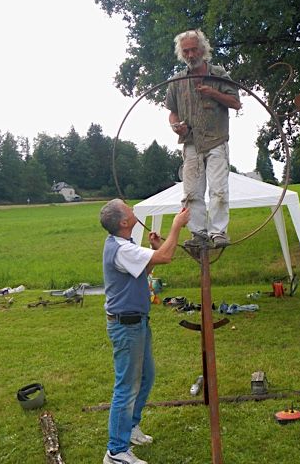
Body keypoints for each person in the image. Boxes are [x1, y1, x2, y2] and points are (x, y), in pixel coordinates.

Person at [99, 199, 189, 464]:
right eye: (127, 208)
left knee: (146, 376)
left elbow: (144, 269)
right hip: (126, 326)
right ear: (124, 222)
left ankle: (131, 428)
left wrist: (152, 250)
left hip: (135, 323)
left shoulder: (123, 246)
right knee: (126, 387)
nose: (132, 209)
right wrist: (176, 226)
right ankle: (116, 451)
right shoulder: (120, 248)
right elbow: (167, 257)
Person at [165, 29, 241, 248]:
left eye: (193, 49)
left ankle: (218, 233)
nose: (190, 55)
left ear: (203, 49)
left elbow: (236, 103)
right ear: (181, 53)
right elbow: (172, 111)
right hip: (190, 143)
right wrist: (175, 125)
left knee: (218, 189)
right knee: (191, 192)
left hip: (216, 139)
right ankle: (198, 234)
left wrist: (213, 93)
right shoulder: (177, 81)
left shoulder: (218, 74)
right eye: (186, 51)